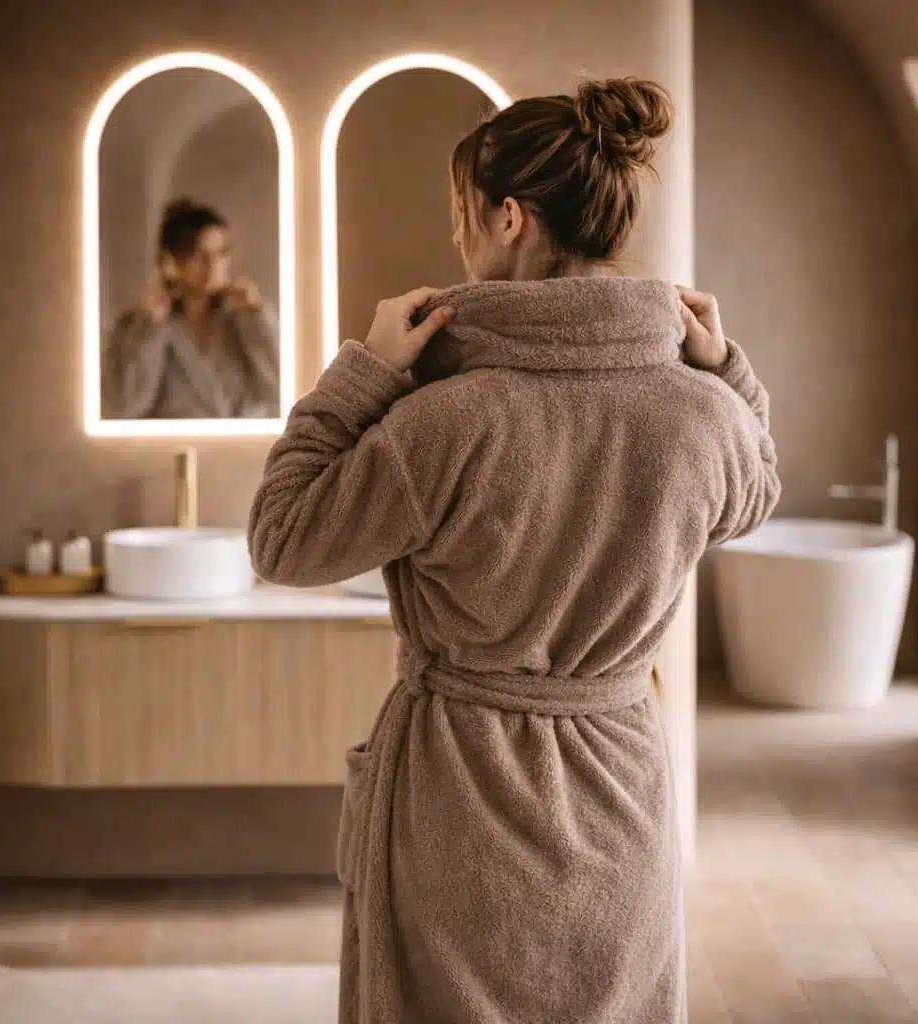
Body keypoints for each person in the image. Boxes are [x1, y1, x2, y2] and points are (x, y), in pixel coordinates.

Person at [249, 78, 780, 1023]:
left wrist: (362, 373)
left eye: (460, 217)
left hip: (461, 797)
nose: (457, 241)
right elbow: (758, 491)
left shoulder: (441, 422)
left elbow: (282, 540)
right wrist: (726, 373)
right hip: (623, 787)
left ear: (506, 218)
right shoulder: (705, 422)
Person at [102, 198, 279, 419]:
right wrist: (148, 329)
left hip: (242, 449)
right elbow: (124, 406)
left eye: (221, 253)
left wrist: (256, 318)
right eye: (199, 255)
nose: (213, 265)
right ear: (171, 261)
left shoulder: (246, 321)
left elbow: (284, 391)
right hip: (169, 449)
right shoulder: (136, 326)